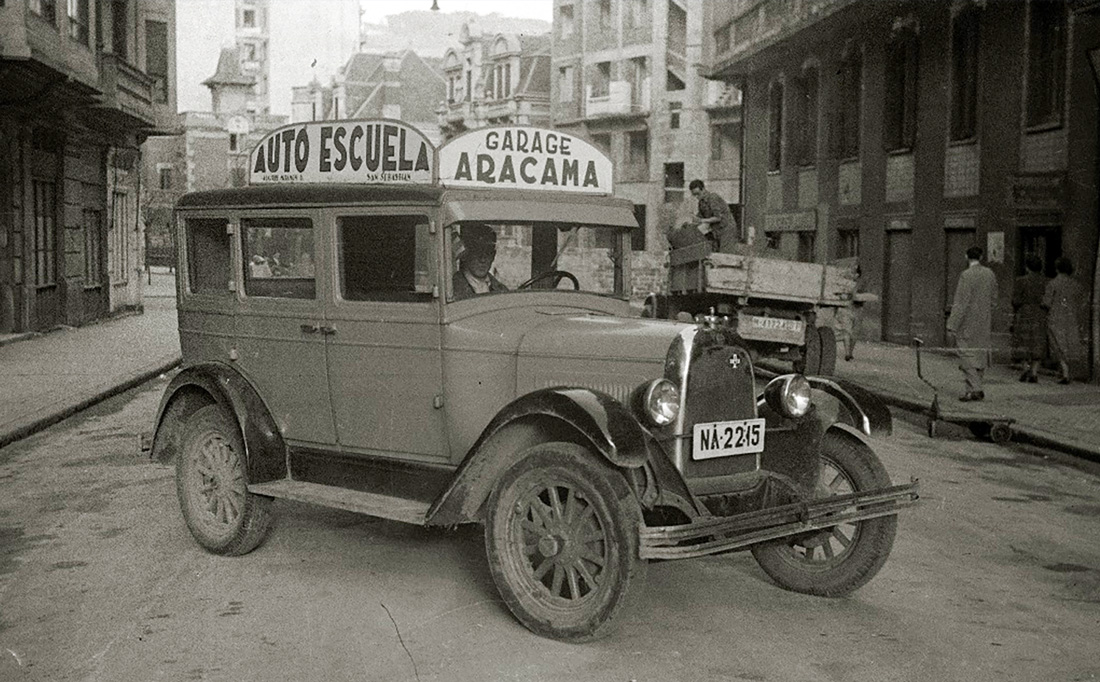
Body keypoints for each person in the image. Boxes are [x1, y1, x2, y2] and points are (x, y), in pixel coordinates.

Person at [946, 245, 997, 402]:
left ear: (966, 257)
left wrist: (952, 324)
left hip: (967, 322)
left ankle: (975, 388)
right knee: (980, 355)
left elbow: (961, 302)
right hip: (983, 321)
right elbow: (994, 299)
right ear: (981, 257)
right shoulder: (990, 274)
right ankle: (971, 390)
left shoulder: (966, 275)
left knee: (966, 355)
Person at [1043, 256, 1086, 384]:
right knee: (1070, 343)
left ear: (1057, 269)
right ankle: (1069, 371)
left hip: (1055, 317)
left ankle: (1065, 372)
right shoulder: (1076, 285)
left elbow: (1046, 302)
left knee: (1057, 344)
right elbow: (1081, 301)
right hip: (1071, 317)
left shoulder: (1053, 283)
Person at [1011, 255, 1046, 383]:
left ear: (1027, 267)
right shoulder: (1045, 281)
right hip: (1039, 314)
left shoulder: (1020, 281)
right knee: (1038, 342)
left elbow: (1015, 300)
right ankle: (1034, 373)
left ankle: (1025, 368)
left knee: (1023, 342)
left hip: (1024, 313)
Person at [452, 223, 508, 300]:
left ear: (493, 256)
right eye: (477, 252)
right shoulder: (451, 289)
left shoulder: (502, 289)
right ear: (465, 254)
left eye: (488, 253)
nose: (483, 260)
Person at [688, 179, 739, 251]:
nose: (696, 197)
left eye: (698, 194)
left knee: (724, 254)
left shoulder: (713, 198)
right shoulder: (701, 203)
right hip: (716, 231)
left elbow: (718, 218)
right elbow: (700, 216)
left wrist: (702, 220)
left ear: (703, 190)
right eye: (694, 195)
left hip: (726, 230)